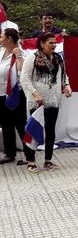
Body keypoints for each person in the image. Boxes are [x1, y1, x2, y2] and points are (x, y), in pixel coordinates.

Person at [20, 33, 72, 172]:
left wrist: (66, 86)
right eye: (51, 43)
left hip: (53, 99)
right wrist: (35, 94)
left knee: (50, 130)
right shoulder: (32, 58)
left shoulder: (58, 58)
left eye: (55, 43)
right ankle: (31, 161)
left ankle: (48, 160)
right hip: (36, 101)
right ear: (42, 44)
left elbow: (64, 75)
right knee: (32, 130)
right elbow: (24, 79)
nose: (54, 45)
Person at [0, 28, 34, 165]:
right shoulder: (1, 52)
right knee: (6, 124)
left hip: (15, 94)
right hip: (1, 93)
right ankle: (9, 153)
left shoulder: (21, 53)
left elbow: (22, 71)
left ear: (9, 39)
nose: (0, 39)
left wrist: (18, 55)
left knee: (21, 125)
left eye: (2, 37)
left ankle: (29, 155)